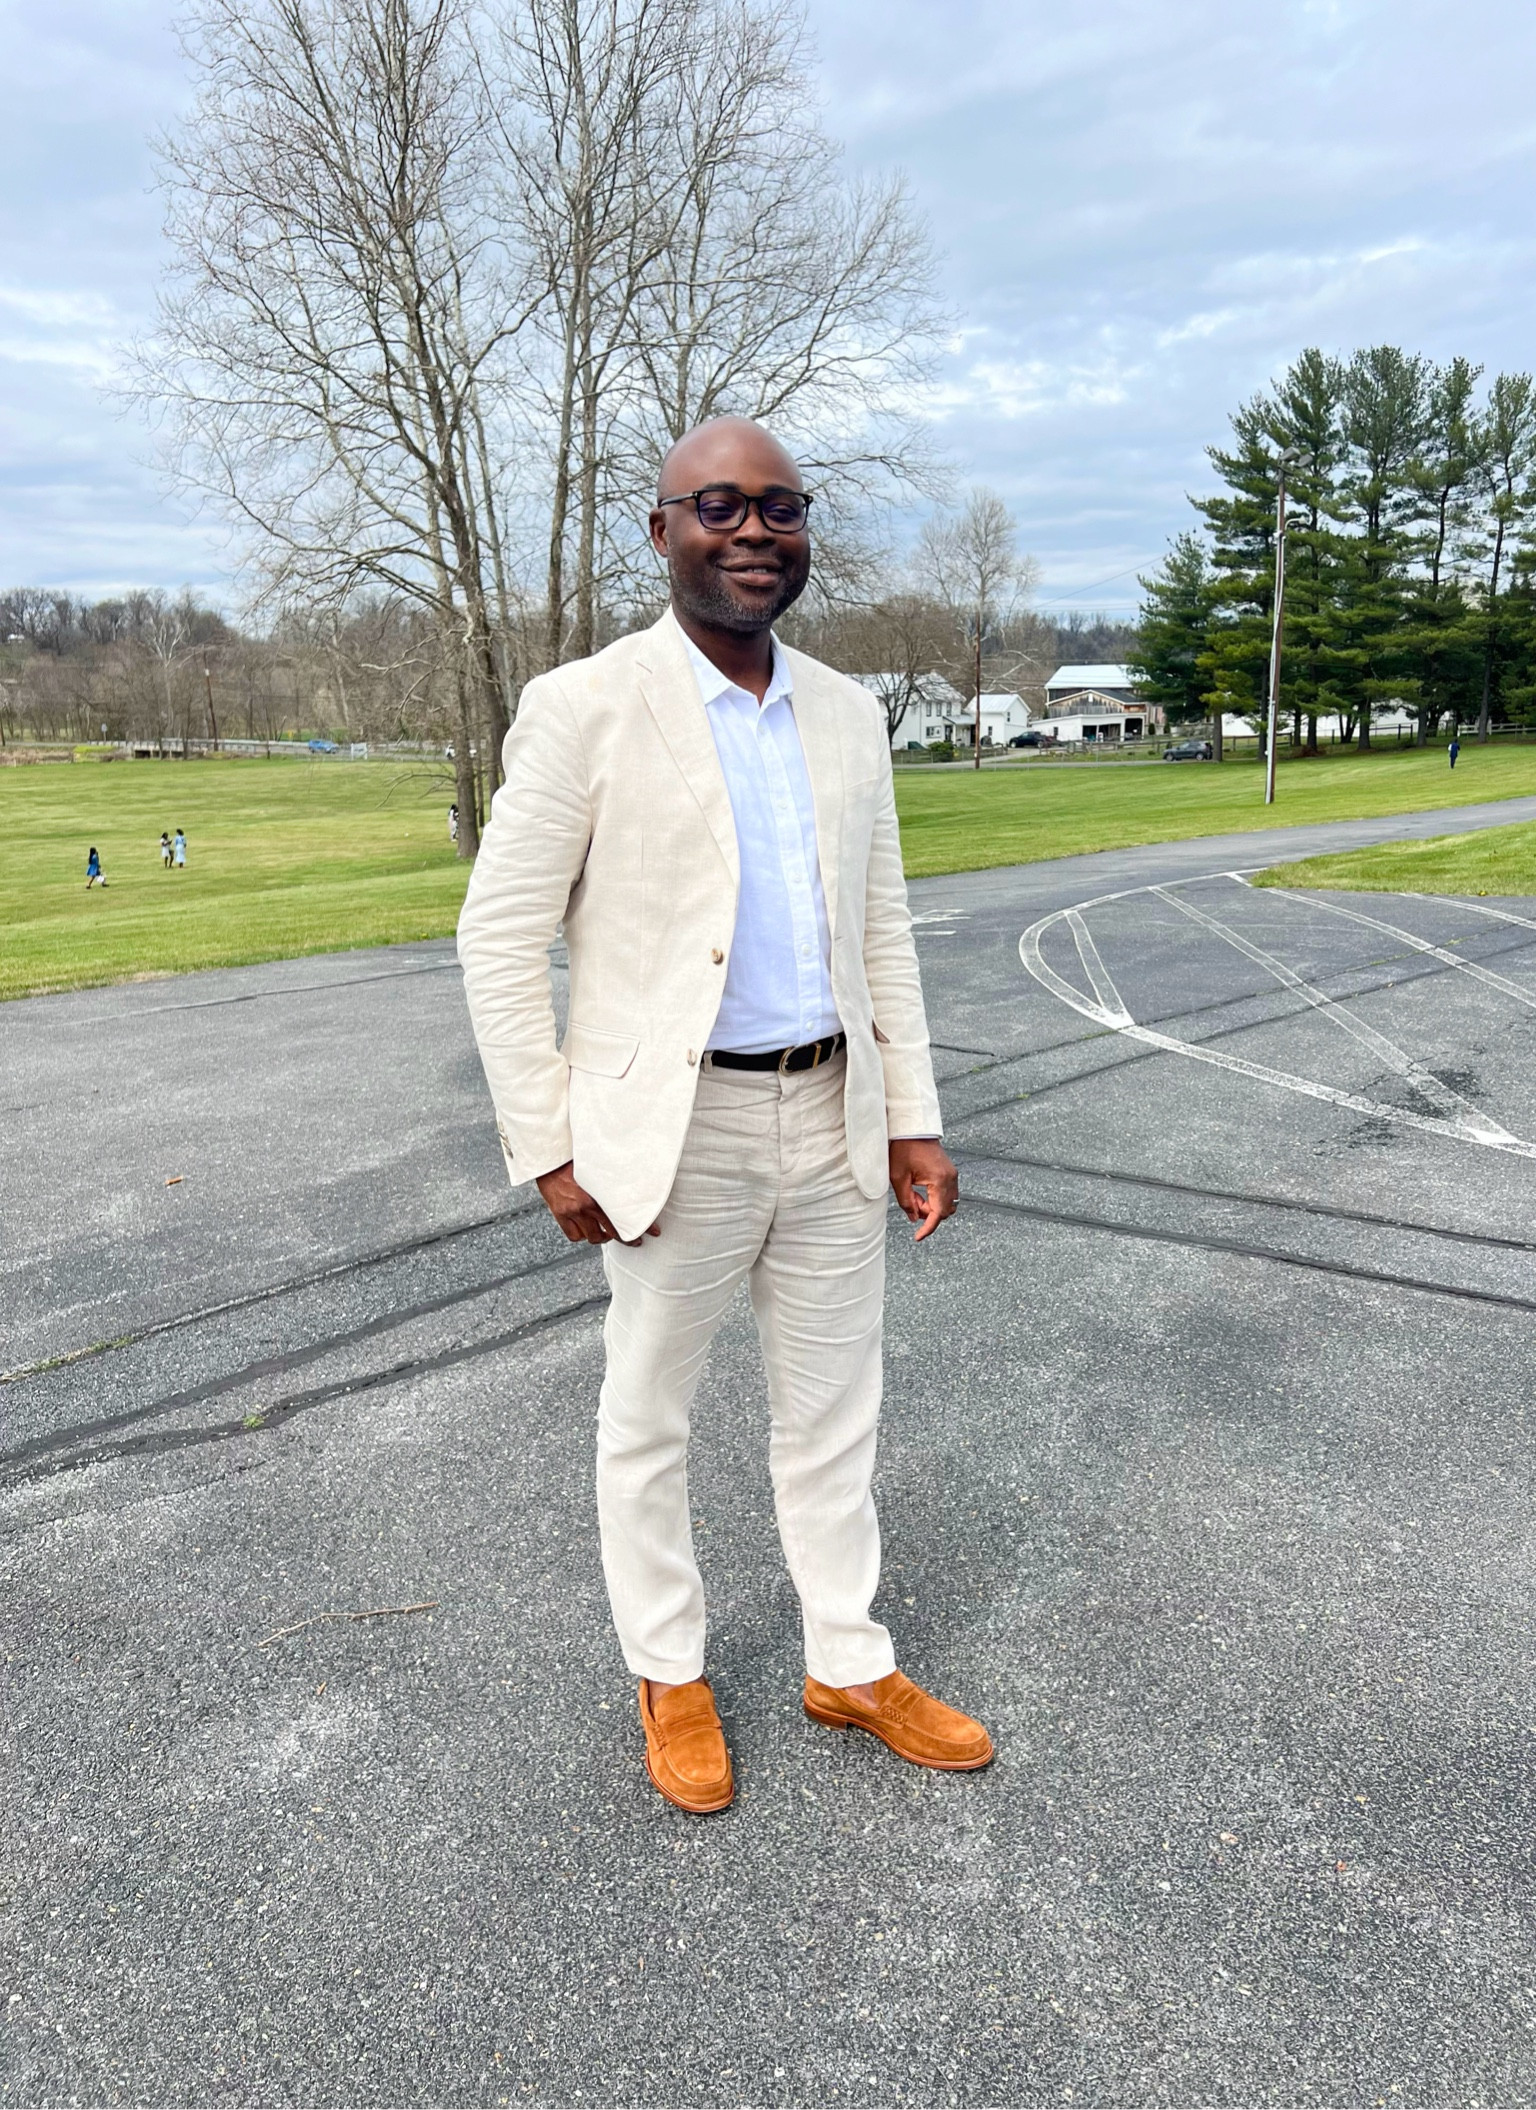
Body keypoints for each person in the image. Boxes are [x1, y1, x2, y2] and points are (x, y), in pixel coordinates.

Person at [458, 416, 989, 1815]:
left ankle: (848, 1657)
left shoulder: (848, 714)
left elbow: (881, 934)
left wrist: (911, 1121)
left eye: (780, 507)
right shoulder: (586, 706)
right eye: (719, 506)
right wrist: (552, 1143)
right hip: (670, 1134)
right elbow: (499, 935)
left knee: (834, 1413)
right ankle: (670, 1670)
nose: (754, 530)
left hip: (831, 1109)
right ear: (662, 532)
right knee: (651, 1415)